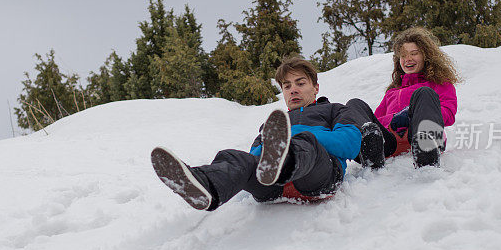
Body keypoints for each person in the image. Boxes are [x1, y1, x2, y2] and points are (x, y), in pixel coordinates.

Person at [151, 56, 365, 210]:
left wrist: (297, 135)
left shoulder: (333, 109)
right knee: (236, 158)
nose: (293, 90)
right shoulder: (275, 124)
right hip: (273, 188)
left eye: (301, 83)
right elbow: (256, 156)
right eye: (287, 86)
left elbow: (349, 143)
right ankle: (205, 185)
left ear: (316, 88)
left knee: (305, 142)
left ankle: (285, 161)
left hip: (318, 177)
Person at [347, 26, 460, 168]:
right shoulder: (393, 92)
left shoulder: (438, 84)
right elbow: (376, 121)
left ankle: (427, 154)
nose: (408, 59)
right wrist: (393, 118)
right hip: (391, 143)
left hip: (422, 134)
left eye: (414, 53)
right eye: (403, 55)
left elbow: (449, 113)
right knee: (355, 105)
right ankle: (371, 154)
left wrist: (414, 114)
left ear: (426, 56)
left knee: (424, 93)